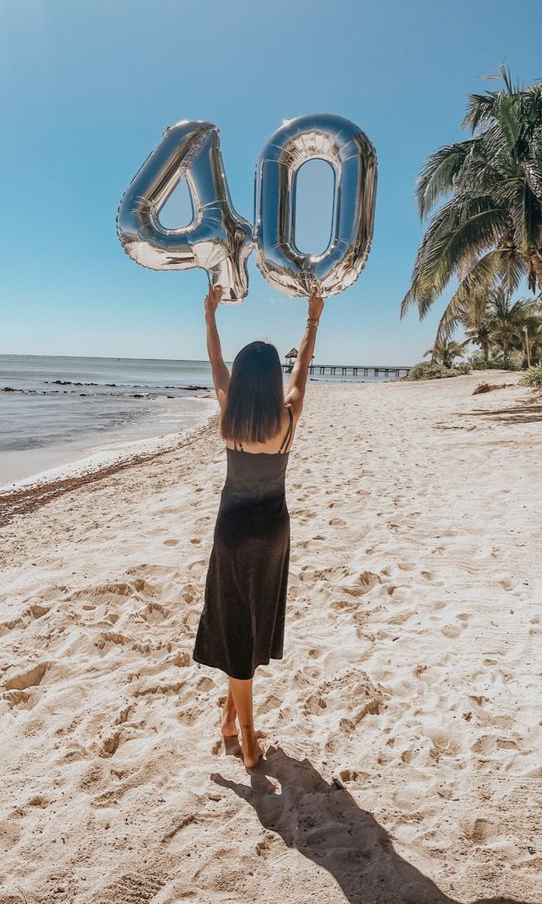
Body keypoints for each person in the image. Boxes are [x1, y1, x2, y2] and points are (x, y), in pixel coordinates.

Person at [192, 281, 324, 771]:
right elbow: (303, 366)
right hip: (272, 532)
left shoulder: (230, 415)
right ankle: (233, 726)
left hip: (232, 530)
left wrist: (210, 315)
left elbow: (215, 361)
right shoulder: (287, 417)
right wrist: (312, 318)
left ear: (242, 380)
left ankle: (246, 741)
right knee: (247, 622)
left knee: (236, 623)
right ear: (270, 382)